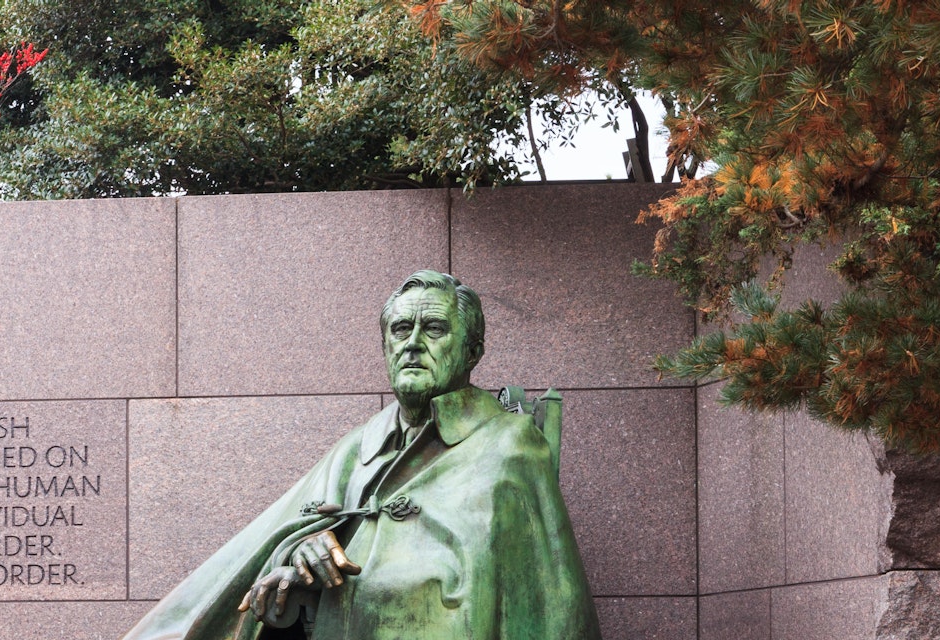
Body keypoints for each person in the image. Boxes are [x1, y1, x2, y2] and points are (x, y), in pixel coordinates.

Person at [124, 270, 600, 640]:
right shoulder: (359, 445)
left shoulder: (510, 445)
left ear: (472, 350)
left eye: (434, 329)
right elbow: (285, 540)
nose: (413, 343)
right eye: (400, 329)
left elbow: (556, 608)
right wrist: (297, 557)